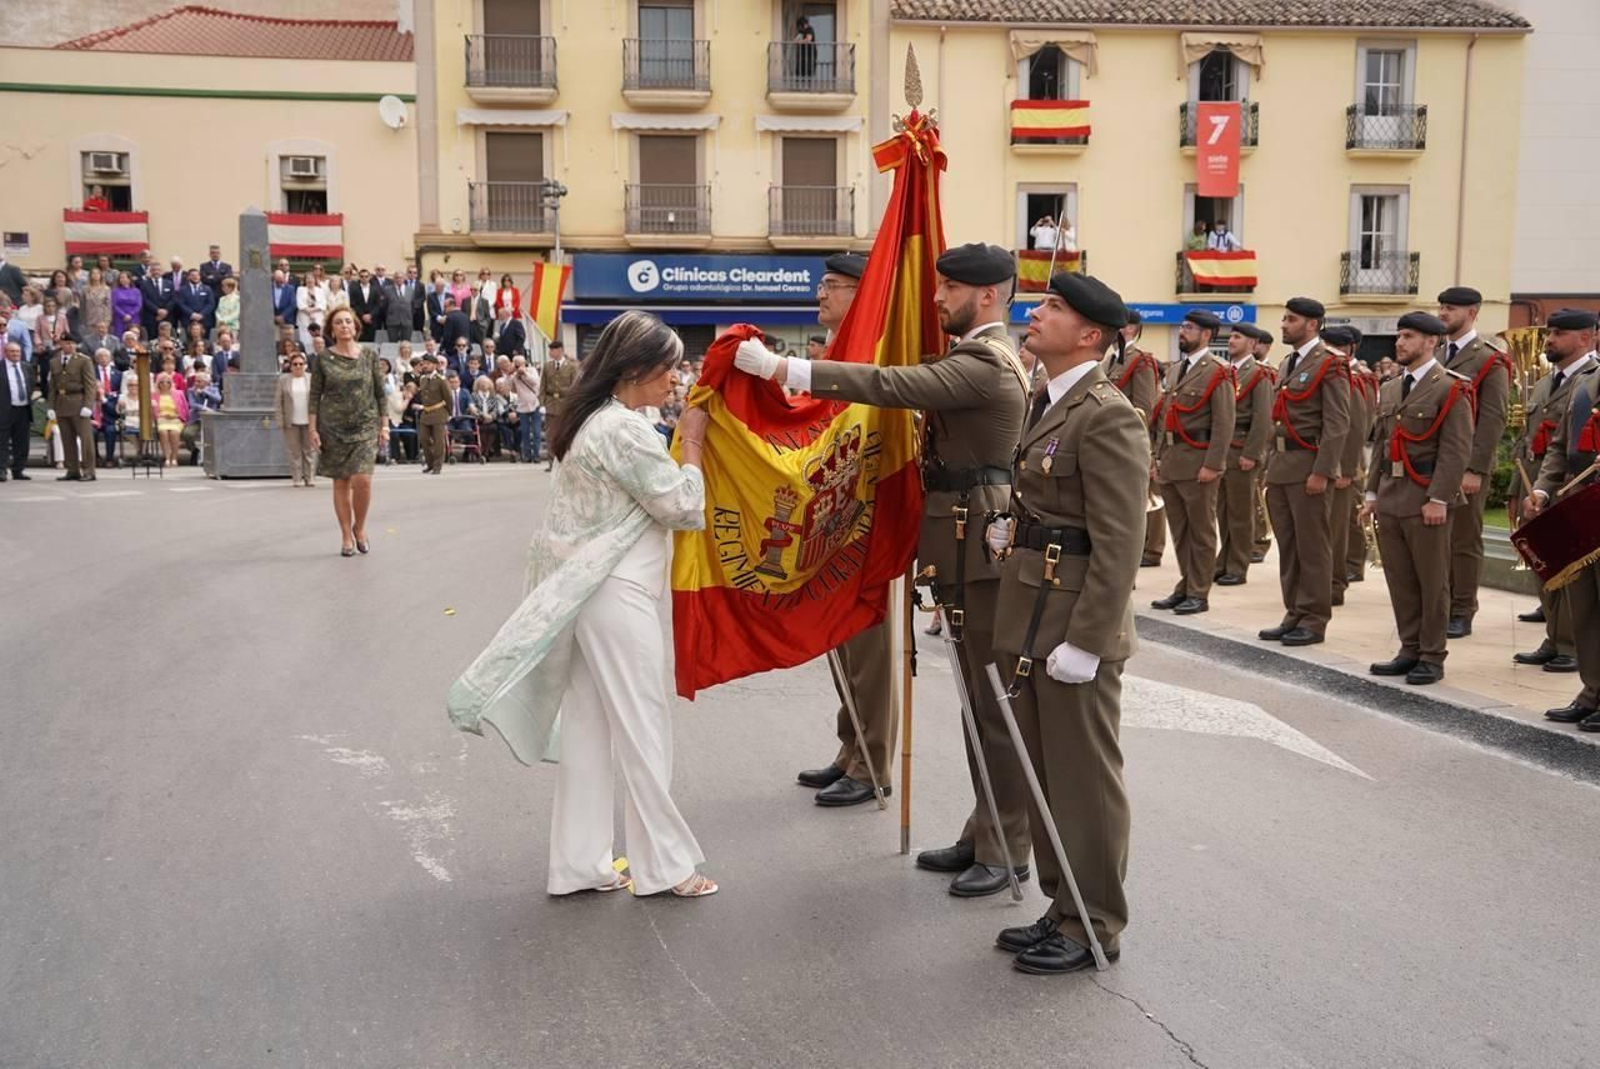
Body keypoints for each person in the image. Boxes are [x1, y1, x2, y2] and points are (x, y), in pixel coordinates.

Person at [734, 243, 1033, 896]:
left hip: (982, 548)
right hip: (958, 546)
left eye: (949, 288)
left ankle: (1008, 845)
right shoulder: (971, 355)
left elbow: (892, 384)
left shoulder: (987, 362)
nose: (937, 298)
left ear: (988, 296)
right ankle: (983, 831)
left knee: (993, 704)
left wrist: (786, 368)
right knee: (975, 705)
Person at [447, 309, 717, 899]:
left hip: (591, 589)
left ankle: (580, 864)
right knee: (643, 729)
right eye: (669, 369)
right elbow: (681, 506)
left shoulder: (593, 419)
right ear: (636, 369)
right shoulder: (622, 429)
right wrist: (691, 444)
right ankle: (665, 868)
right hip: (617, 591)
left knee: (591, 733)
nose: (676, 380)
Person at [984, 271, 1147, 975]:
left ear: (1090, 334)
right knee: (1046, 773)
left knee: (1083, 778)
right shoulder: (1049, 400)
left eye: (1052, 307)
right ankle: (1061, 903)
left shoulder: (1107, 412)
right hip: (1033, 609)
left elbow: (1120, 540)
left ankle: (1094, 922)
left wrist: (1087, 640)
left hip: (1074, 620)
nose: (1035, 313)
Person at [1360, 312, 1474, 686]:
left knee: (1432, 580)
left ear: (1432, 342)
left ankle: (1432, 655)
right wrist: (1372, 493)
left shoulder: (1451, 387)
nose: (1399, 343)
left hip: (1425, 496)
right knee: (1401, 579)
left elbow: (1455, 450)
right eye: (1399, 336)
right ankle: (1409, 648)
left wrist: (1439, 498)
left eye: (1409, 336)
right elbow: (1381, 446)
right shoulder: (1391, 388)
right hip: (1392, 497)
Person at [1259, 297, 1351, 647]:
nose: (1283, 324)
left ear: (1313, 324)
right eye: (1283, 318)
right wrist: (1270, 464)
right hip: (1283, 467)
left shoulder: (1330, 364)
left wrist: (1323, 471)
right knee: (1289, 546)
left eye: (1291, 319)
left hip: (1309, 466)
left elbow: (1338, 423)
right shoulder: (1287, 364)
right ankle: (1294, 612)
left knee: (1313, 547)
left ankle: (1314, 619)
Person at [1525, 309, 1600, 731]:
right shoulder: (1584, 386)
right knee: (1584, 605)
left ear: (1587, 337)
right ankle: (1592, 691)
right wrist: (1541, 488)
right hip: (1581, 501)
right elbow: (1559, 447)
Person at [1437, 286, 1513, 639]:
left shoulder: (1488, 359)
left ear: (1473, 313)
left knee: (1463, 540)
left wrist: (1476, 469)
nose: (1442, 314)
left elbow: (1493, 418)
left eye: (1450, 308)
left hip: (1465, 463)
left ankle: (1462, 609)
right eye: (1441, 307)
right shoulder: (1435, 352)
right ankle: (1439, 604)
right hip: (1434, 462)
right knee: (1435, 540)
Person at [1150, 309, 1236, 615]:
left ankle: (1199, 592)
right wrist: (1156, 456)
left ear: (1206, 335)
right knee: (1180, 531)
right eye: (1183, 326)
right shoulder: (1175, 371)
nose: (1182, 332)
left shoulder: (1218, 371)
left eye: (1189, 328)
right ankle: (1186, 584)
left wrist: (1213, 463)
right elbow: (1163, 418)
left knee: (1201, 530)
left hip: (1198, 461)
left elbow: (1225, 422)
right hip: (1172, 461)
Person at [308, 307, 388, 555]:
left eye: (348, 322)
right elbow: (314, 396)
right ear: (332, 330)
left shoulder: (369, 356)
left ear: (355, 327)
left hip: (365, 424)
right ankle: (345, 535)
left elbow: (380, 393)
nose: (344, 326)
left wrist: (384, 425)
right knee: (341, 482)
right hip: (333, 427)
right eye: (339, 322)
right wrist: (313, 428)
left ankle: (359, 527)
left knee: (362, 480)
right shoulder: (323, 358)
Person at [1100, 310, 1164, 568]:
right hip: (1109, 441)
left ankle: (1149, 550)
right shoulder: (1110, 361)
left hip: (1127, 441)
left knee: (1137, 504)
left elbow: (1143, 408)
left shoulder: (1141, 361)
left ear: (1131, 329)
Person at [1216, 323, 1275, 584]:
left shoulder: (1259, 374)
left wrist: (1252, 453)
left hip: (1242, 450)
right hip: (1223, 451)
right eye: (1230, 337)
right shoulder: (1227, 372)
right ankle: (1224, 560)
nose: (1231, 341)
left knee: (1240, 513)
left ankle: (1238, 566)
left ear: (1252, 344)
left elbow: (1263, 418)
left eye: (1237, 337)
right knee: (1223, 511)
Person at [1324, 325, 1374, 608]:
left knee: (1347, 516)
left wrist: (1347, 466)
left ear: (1349, 348)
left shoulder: (1359, 377)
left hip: (1349, 457)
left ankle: (1352, 564)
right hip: (1330, 456)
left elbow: (1359, 423)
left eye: (1333, 346)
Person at [49, 337, 98, 481]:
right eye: (66, 343)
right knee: (67, 439)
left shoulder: (83, 360)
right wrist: (51, 406)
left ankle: (89, 470)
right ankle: (72, 469)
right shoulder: (55, 362)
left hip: (78, 402)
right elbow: (52, 386)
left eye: (72, 343)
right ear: (61, 345)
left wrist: (88, 405)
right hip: (62, 403)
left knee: (85, 440)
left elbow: (90, 385)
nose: (69, 345)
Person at [275, 352, 316, 486]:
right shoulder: (283, 380)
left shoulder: (311, 378)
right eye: (295, 364)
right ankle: (297, 478)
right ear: (290, 366)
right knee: (294, 452)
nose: (298, 366)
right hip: (291, 421)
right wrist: (280, 421)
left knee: (309, 451)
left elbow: (317, 400)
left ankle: (309, 477)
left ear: (305, 365)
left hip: (308, 421)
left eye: (301, 364)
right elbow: (278, 401)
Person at [539, 340, 577, 473]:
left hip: (565, 403)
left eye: (553, 350)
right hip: (550, 404)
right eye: (550, 350)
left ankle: (565, 462)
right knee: (551, 435)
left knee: (565, 434)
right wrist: (542, 403)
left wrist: (572, 404)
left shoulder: (571, 367)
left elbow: (575, 387)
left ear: (560, 350)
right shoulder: (547, 366)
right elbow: (542, 386)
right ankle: (552, 463)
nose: (550, 352)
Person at [2, 340, 36, 480]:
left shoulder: (26, 367)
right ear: (5, 352)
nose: (16, 354)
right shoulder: (1, 367)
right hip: (4, 410)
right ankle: (1, 470)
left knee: (22, 442)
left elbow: (31, 384)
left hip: (23, 409)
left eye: (18, 351)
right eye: (12, 351)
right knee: (2, 441)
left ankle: (18, 470)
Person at [414, 352, 451, 473]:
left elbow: (448, 397)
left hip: (438, 412)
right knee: (424, 439)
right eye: (423, 364)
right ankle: (430, 463)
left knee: (438, 441)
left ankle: (437, 465)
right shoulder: (423, 379)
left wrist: (449, 413)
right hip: (426, 413)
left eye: (428, 364)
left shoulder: (441, 380)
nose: (425, 366)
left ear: (435, 365)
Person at [151, 371, 189, 467]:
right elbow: (151, 411)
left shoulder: (179, 393)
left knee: (174, 433)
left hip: (175, 419)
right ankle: (167, 458)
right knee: (163, 432)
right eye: (162, 382)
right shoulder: (154, 395)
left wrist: (176, 416)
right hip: (161, 419)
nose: (165, 384)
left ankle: (174, 458)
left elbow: (185, 409)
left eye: (168, 382)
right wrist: (160, 416)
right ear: (158, 383)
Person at [182, 370, 220, 464]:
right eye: (196, 381)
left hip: (210, 418)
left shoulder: (213, 389)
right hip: (197, 418)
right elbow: (192, 404)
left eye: (199, 381)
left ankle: (211, 456)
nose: (197, 383)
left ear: (206, 382)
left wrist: (205, 392)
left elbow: (218, 399)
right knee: (187, 434)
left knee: (214, 435)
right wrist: (203, 407)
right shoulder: (191, 391)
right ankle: (194, 450)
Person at [92, 347, 121, 467]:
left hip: (110, 410)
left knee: (110, 430)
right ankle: (95, 457)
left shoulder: (118, 374)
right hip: (95, 410)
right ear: (96, 359)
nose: (103, 359)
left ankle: (109, 458)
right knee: (91, 431)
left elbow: (119, 392)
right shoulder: (91, 372)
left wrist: (106, 398)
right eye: (100, 357)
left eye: (105, 356)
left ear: (110, 358)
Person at [511, 356, 543, 462]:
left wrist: (525, 373)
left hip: (534, 404)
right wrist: (510, 375)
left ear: (525, 363)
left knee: (536, 432)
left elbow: (536, 382)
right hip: (522, 407)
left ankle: (537, 454)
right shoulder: (514, 375)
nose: (519, 367)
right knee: (524, 432)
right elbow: (509, 388)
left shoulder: (532, 370)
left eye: (521, 364)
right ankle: (527, 455)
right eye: (517, 365)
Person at [469, 374, 504, 457]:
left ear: (490, 385)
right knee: (482, 429)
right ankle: (483, 449)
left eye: (486, 383)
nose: (484, 385)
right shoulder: (473, 396)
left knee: (493, 428)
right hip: (479, 419)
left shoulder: (493, 396)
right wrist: (483, 416)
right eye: (482, 383)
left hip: (491, 419)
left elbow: (496, 409)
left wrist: (491, 416)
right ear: (478, 385)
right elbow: (473, 408)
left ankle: (486, 451)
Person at [140, 260, 175, 341]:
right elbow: (145, 300)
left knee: (168, 339)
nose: (156, 272)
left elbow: (173, 299)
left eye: (158, 270)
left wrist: (165, 311)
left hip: (167, 316)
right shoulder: (144, 284)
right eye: (154, 270)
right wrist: (157, 311)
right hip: (151, 317)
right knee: (152, 340)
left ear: (162, 271)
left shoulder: (169, 283)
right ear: (150, 271)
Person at [297, 265, 328, 353]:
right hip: (304, 318)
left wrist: (313, 311)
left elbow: (323, 304)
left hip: (317, 318)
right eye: (308, 278)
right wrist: (308, 312)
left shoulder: (320, 290)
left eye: (312, 278)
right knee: (305, 339)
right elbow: (300, 304)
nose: (310, 280)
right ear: (305, 280)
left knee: (317, 339)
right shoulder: (300, 289)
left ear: (315, 280)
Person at [175, 268, 215, 336]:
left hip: (204, 320)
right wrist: (192, 314)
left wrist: (201, 314)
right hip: (188, 319)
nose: (195, 277)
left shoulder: (207, 289)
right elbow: (181, 304)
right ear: (188, 277)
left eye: (197, 275)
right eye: (192, 275)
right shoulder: (182, 290)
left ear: (200, 276)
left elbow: (211, 304)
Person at [80, 269, 112, 339]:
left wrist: (107, 320)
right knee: (90, 338)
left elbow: (108, 306)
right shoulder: (85, 289)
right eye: (93, 273)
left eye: (97, 273)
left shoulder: (106, 289)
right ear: (90, 276)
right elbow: (82, 305)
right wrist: (83, 320)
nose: (95, 275)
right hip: (90, 318)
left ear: (101, 276)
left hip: (102, 317)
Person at [110, 272, 143, 338]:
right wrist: (123, 315)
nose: (123, 279)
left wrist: (130, 314)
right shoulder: (115, 291)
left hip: (133, 317)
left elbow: (139, 305)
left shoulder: (136, 291)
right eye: (121, 278)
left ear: (129, 279)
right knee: (119, 336)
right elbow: (114, 305)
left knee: (133, 336)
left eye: (125, 277)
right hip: (119, 317)